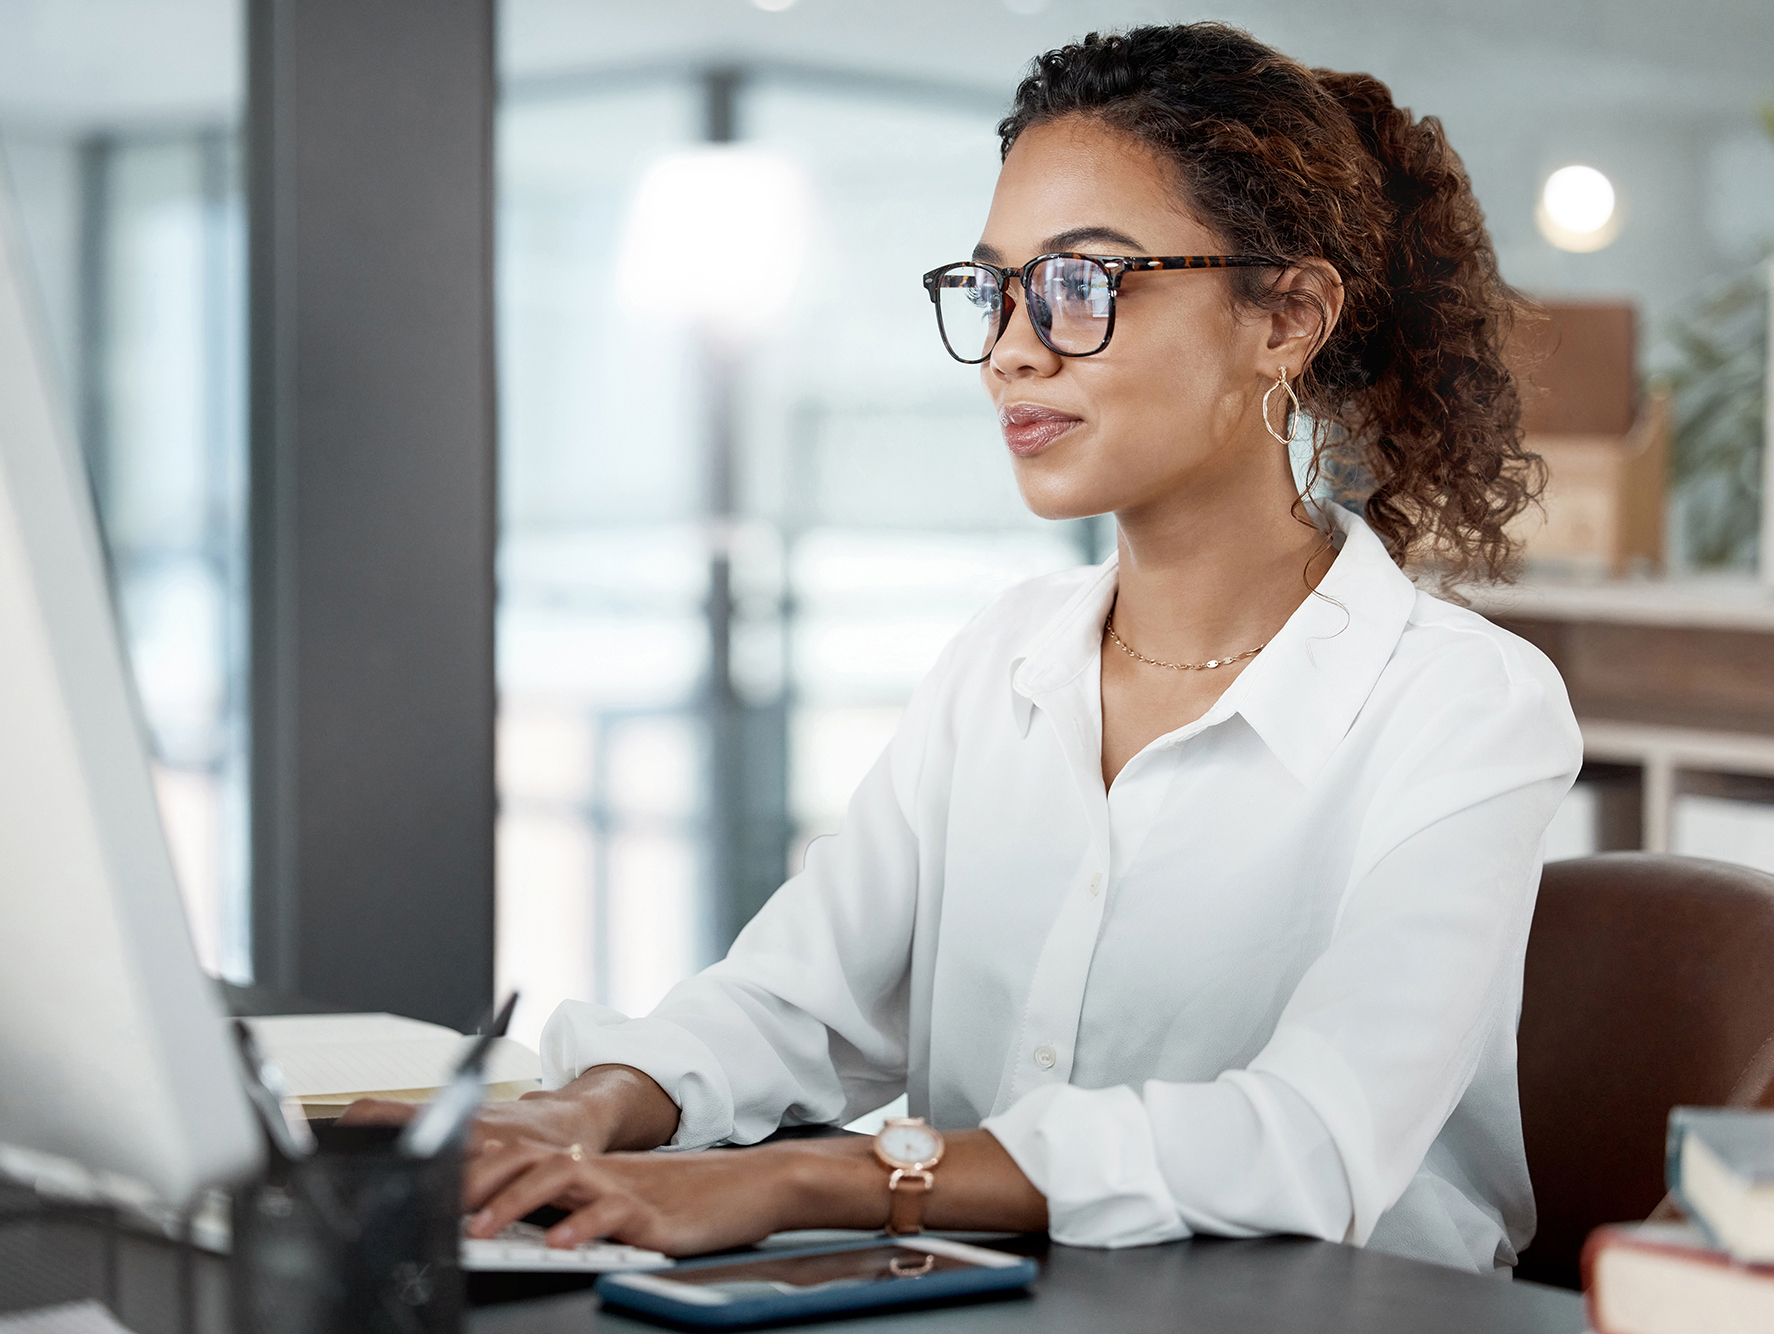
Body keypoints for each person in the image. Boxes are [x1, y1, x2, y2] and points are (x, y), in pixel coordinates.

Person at [349, 22, 1581, 1275]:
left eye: (1081, 286)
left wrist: (806, 1178)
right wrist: (575, 1112)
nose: (1010, 349)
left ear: (1287, 317)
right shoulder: (1006, 658)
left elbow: (1310, 1138)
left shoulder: (1462, 704)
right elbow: (798, 998)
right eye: (993, 286)